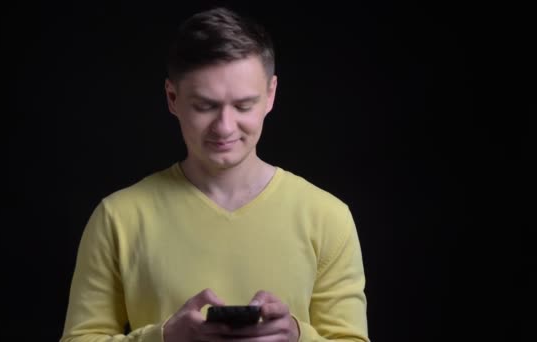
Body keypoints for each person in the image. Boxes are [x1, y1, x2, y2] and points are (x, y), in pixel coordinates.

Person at [60, 6, 369, 342]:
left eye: (243, 105)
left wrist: (296, 336)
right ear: (172, 98)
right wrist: (164, 338)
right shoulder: (116, 218)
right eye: (205, 106)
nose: (224, 127)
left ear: (271, 95)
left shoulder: (328, 217)